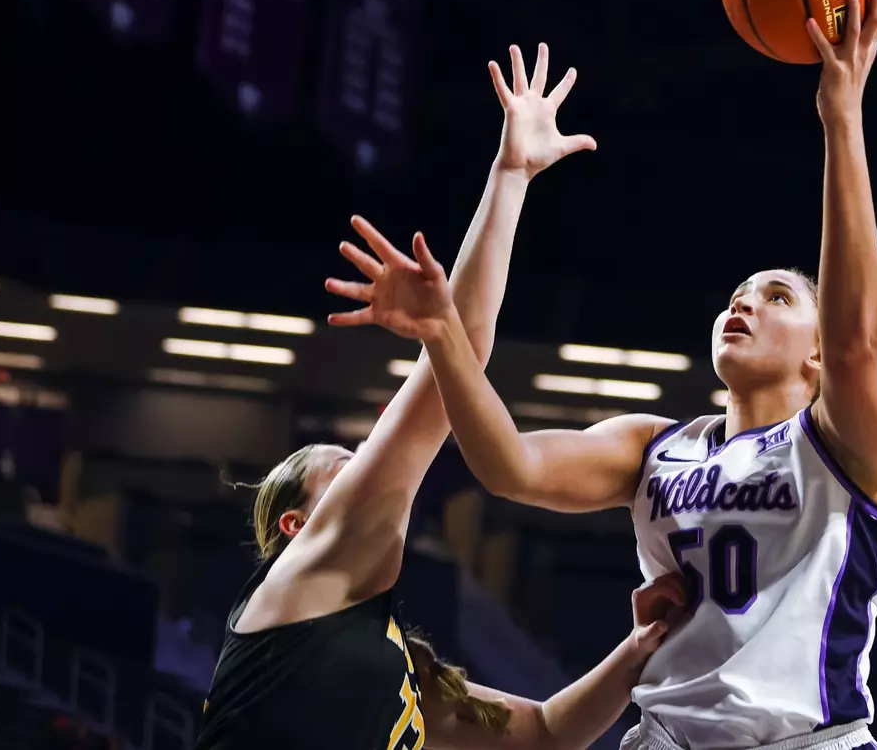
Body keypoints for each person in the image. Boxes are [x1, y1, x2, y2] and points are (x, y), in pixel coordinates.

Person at [329, 0, 877, 750]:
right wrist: (443, 330)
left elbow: (855, 343)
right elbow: (511, 468)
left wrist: (842, 117)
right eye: (736, 294)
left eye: (775, 297)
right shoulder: (653, 447)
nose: (743, 303)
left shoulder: (845, 446)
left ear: (813, 355)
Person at [199, 47, 686, 750]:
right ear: (296, 528)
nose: (370, 464)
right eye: (348, 465)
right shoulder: (298, 583)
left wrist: (639, 650)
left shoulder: (392, 666)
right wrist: (510, 176)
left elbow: (546, 734)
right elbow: (461, 358)